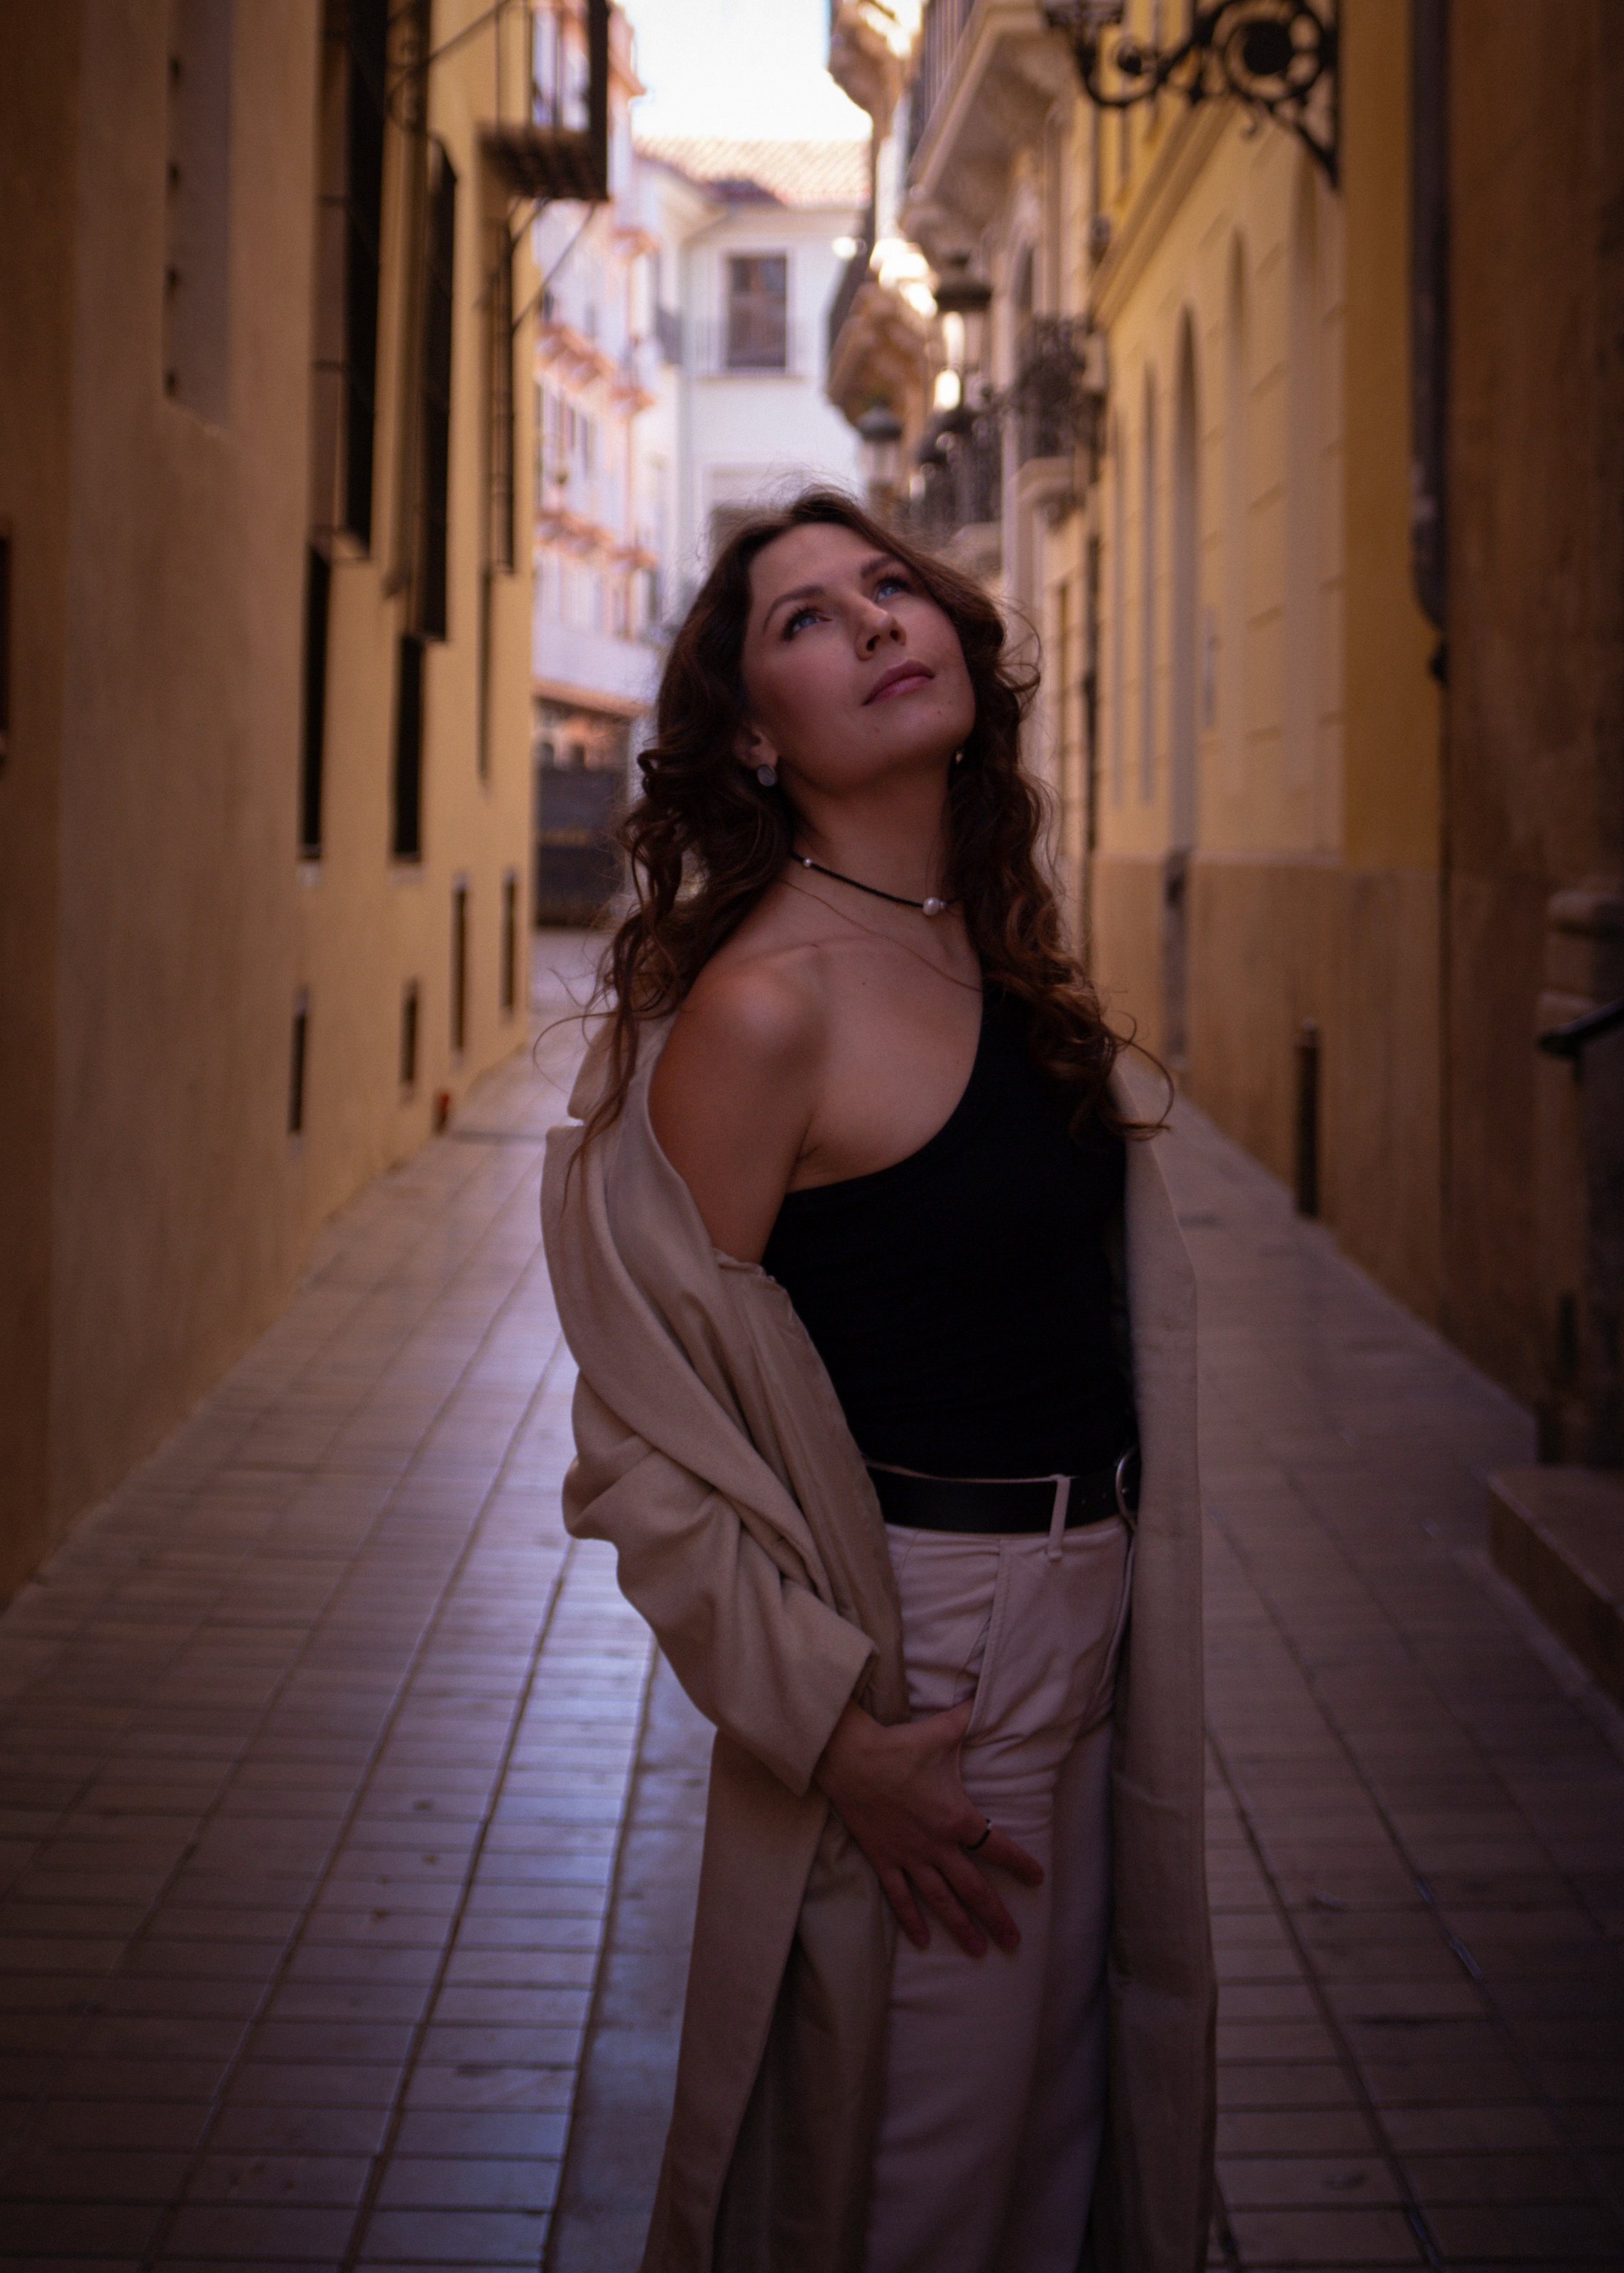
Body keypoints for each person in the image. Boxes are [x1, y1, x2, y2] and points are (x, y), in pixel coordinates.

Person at [541, 489, 1214, 2273]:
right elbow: (639, 1444)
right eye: (807, 620)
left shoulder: (982, 937)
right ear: (755, 742)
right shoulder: (766, 1009)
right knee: (912, 2196)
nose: (875, 623)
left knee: (1050, 2174)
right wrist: (836, 1737)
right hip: (926, 1658)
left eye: (887, 587)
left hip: (1081, 1608)